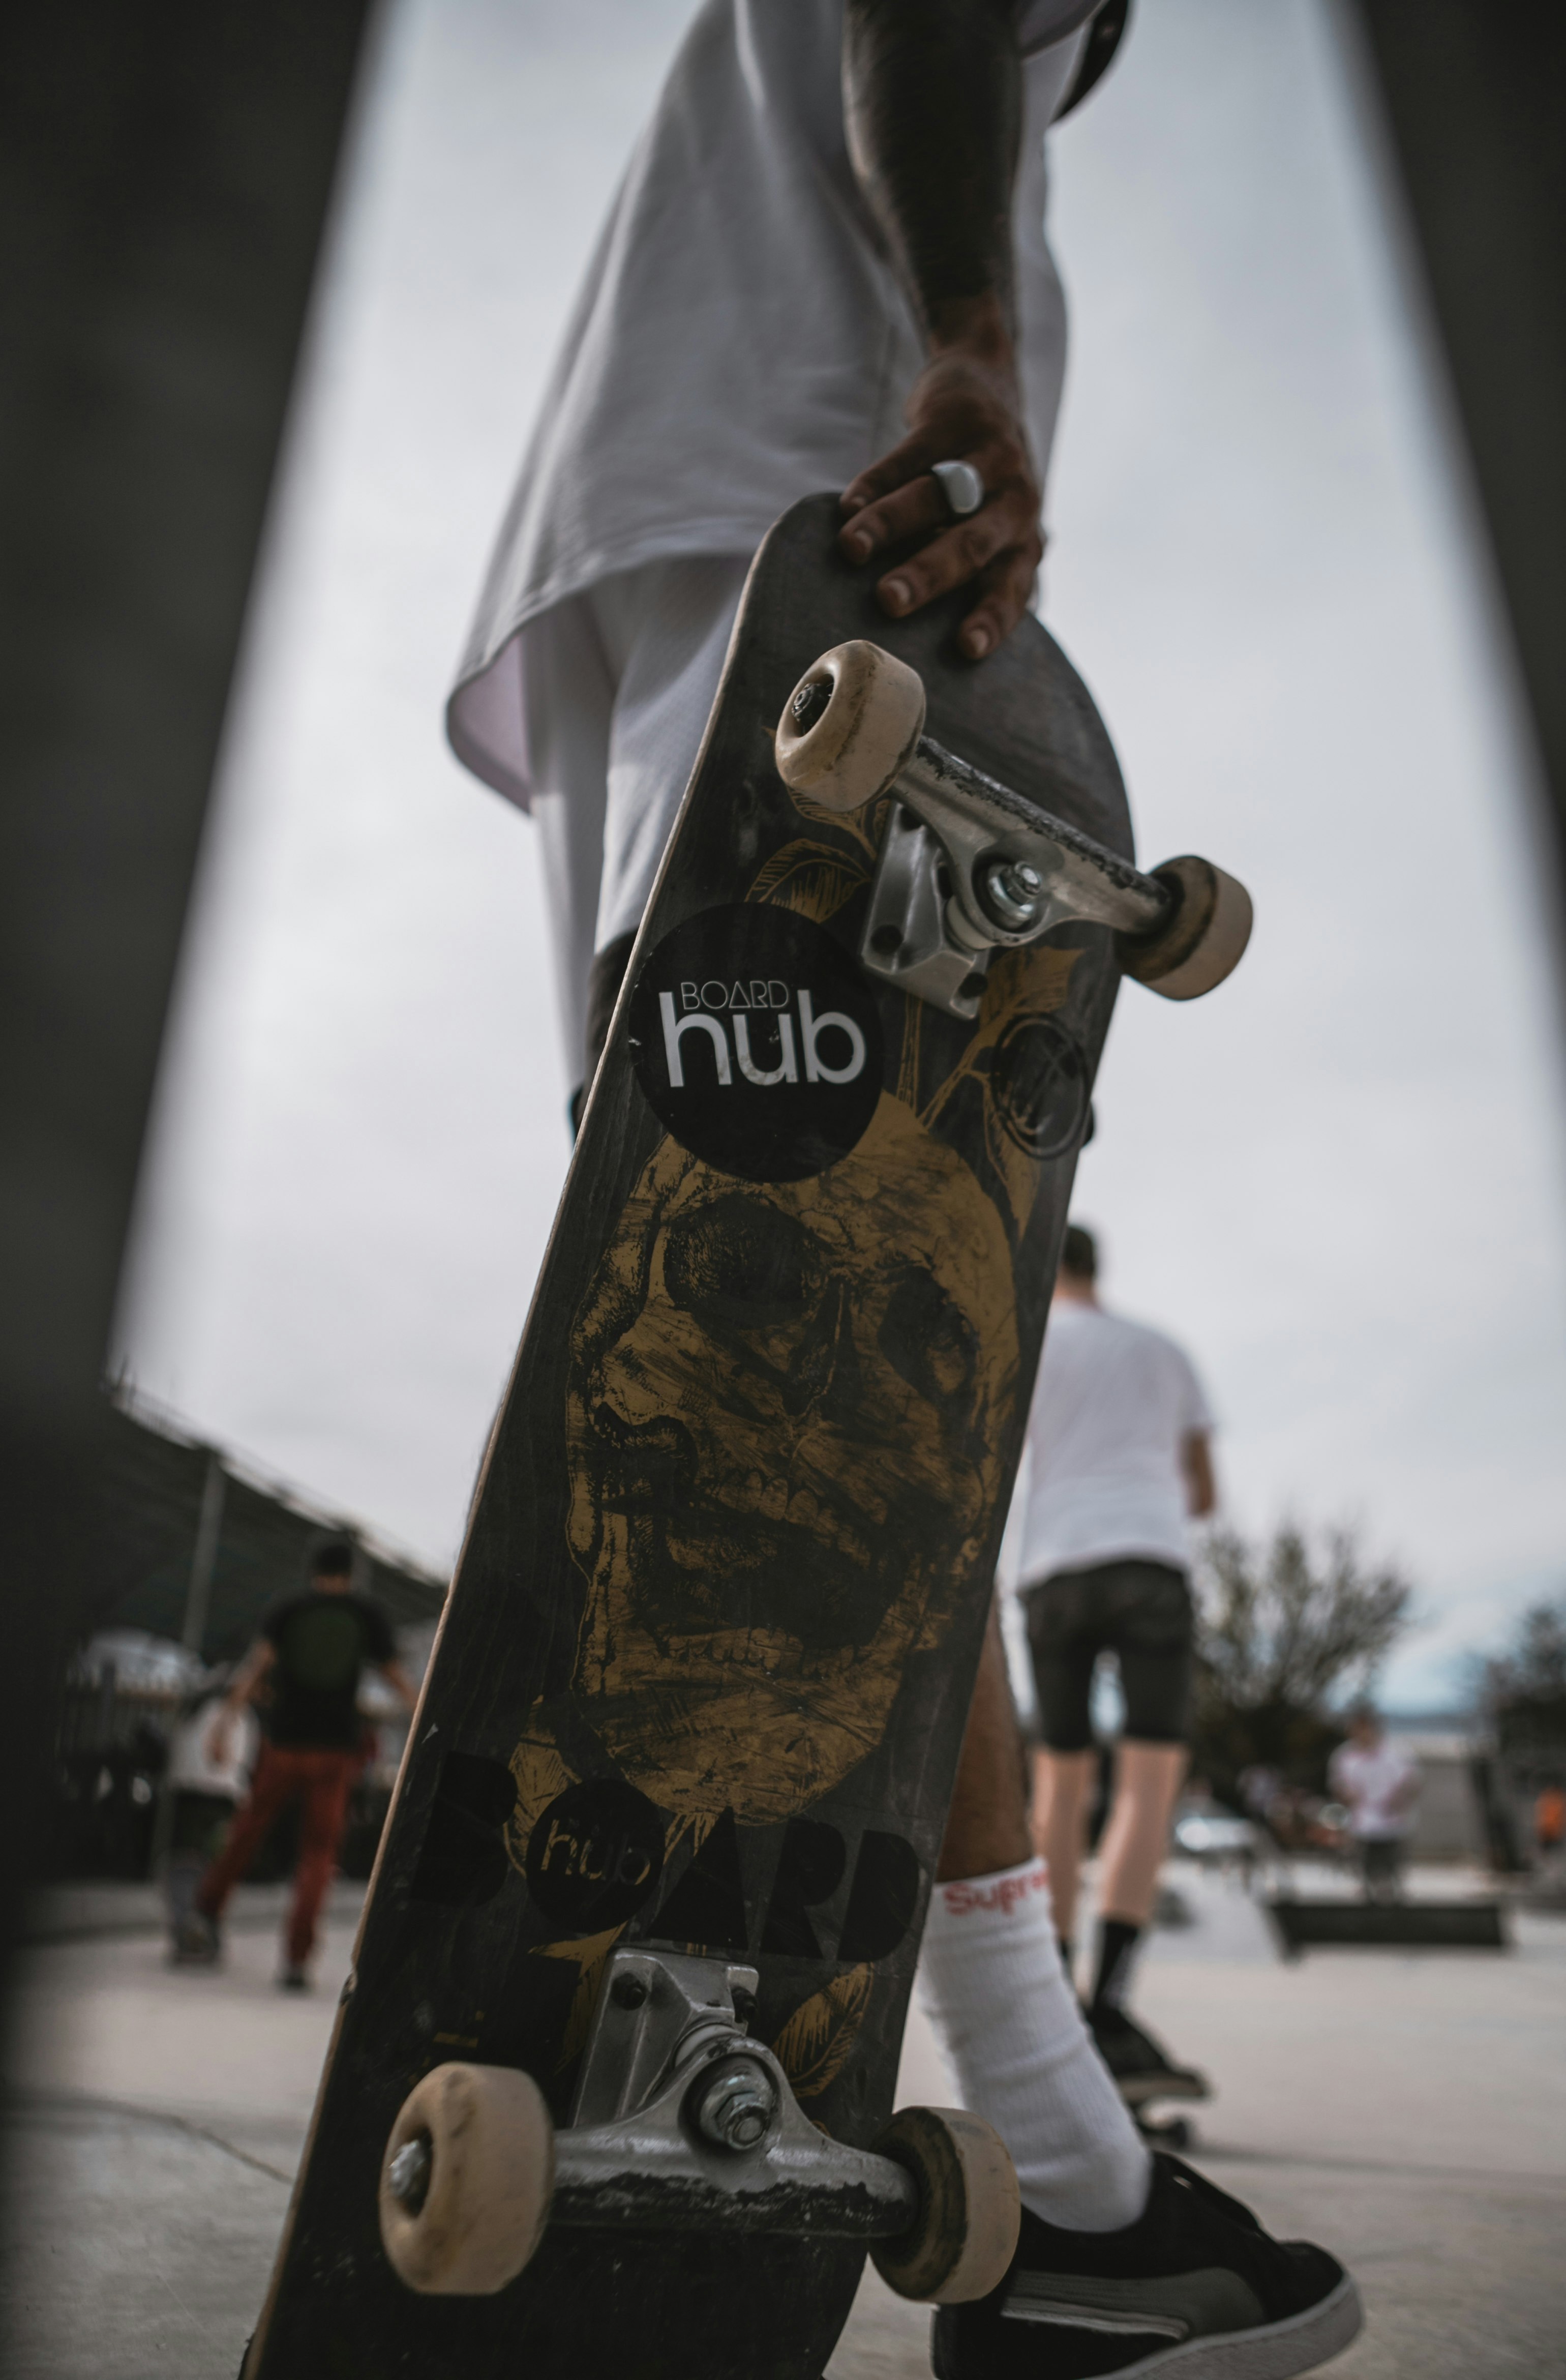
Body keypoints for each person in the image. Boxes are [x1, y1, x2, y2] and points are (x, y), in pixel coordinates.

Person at [446, 5, 1360, 2371]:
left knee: (769, 1328)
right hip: (837, 553)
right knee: (856, 1322)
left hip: (655, 592)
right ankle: (1055, 2169)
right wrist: (965, 337)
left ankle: (1038, 2155)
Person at [1003, 1220, 1215, 2108]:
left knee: (1060, 1782)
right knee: (1149, 1783)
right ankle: (1110, 2006)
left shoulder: (1029, 1348)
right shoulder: (1162, 1351)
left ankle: (1054, 2005)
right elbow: (1204, 1490)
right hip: (1147, 1561)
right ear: (1100, 1269)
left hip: (1054, 1569)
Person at [180, 1539, 418, 1987]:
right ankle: (295, 1959)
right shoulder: (364, 1614)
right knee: (319, 1852)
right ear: (351, 1574)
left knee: (249, 1829)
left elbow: (255, 1667)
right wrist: (423, 1712)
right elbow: (395, 1678)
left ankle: (205, 1913)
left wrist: (223, 1724)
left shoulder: (289, 1609)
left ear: (313, 1571)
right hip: (335, 1751)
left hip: (284, 1744)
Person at [163, 1672, 258, 1961]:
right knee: (212, 1868)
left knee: (184, 1863)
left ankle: (184, 1928)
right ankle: (204, 1932)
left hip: (186, 1796)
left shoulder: (194, 1710)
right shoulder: (239, 1717)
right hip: (220, 1800)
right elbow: (235, 1764)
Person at [1328, 1705, 1420, 1902]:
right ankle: (1368, 1896)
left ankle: (1395, 1894)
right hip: (1361, 1822)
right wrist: (1346, 1797)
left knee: (1392, 1863)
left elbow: (1412, 1783)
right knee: (1364, 1864)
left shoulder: (1397, 1752)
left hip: (1393, 1820)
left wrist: (1399, 1800)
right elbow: (1338, 1786)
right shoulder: (1344, 1755)